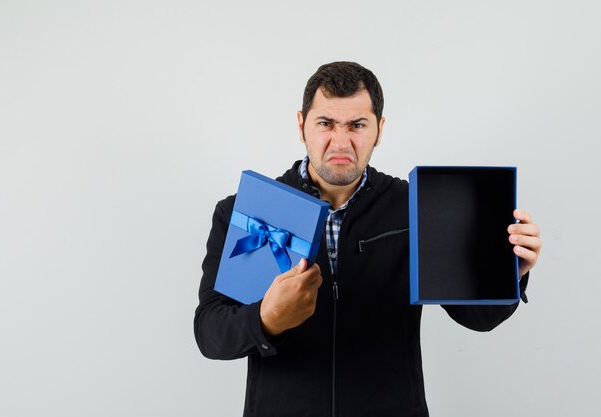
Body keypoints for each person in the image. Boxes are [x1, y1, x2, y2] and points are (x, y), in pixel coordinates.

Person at [194, 61, 542, 417]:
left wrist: (508, 273)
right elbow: (210, 332)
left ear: (379, 130)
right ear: (302, 126)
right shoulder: (248, 210)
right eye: (325, 123)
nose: (341, 142)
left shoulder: (415, 207)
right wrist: (267, 317)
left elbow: (478, 318)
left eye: (357, 125)